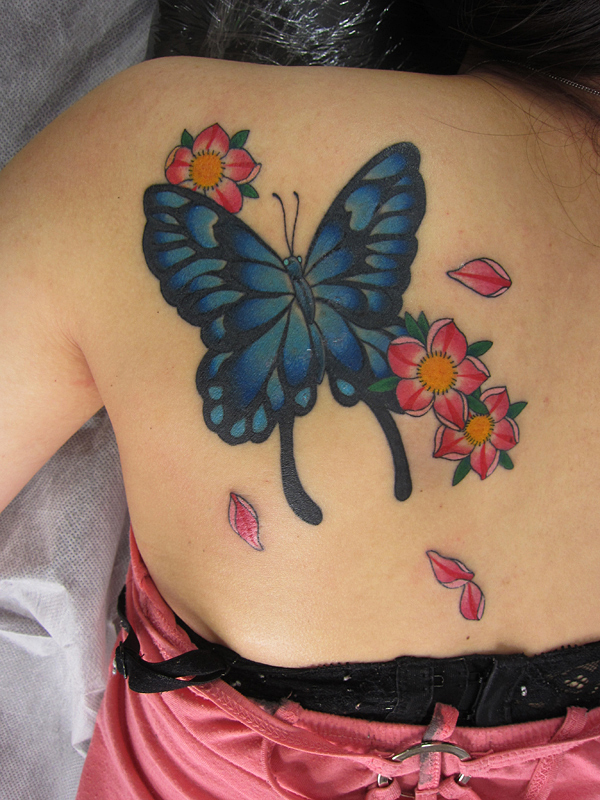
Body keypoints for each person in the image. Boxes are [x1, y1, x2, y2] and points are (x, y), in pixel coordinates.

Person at [2, 1, 600, 797]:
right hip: (350, 328)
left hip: (268, 341)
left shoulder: (132, 145)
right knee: (372, 397)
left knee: (299, 410)